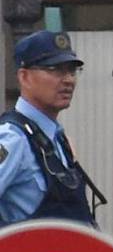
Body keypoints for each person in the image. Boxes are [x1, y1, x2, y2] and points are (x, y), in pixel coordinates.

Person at [0, 29, 104, 226]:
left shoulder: (57, 139)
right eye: (55, 70)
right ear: (24, 77)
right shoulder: (12, 139)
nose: (68, 80)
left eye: (72, 71)